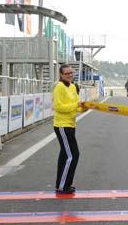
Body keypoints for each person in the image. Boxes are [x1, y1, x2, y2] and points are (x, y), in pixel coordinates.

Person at [53, 64, 84, 194]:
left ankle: (61, 183)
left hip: (70, 124)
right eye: (67, 73)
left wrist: (84, 107)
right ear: (61, 75)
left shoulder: (72, 87)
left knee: (65, 155)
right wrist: (76, 105)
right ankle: (63, 186)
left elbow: (76, 106)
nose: (70, 75)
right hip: (62, 125)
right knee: (73, 155)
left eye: (71, 73)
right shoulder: (59, 87)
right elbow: (59, 107)